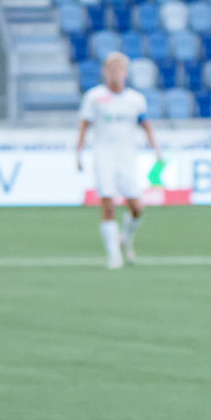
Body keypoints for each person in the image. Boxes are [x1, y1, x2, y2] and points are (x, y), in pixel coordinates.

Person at [76, 53, 162, 269]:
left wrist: (156, 150)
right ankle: (114, 256)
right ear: (105, 72)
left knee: (136, 207)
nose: (114, 73)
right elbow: (84, 125)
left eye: (118, 69)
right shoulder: (94, 97)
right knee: (107, 203)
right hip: (103, 156)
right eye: (110, 69)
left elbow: (146, 125)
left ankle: (125, 237)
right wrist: (78, 152)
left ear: (125, 73)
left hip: (127, 158)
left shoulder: (135, 99)